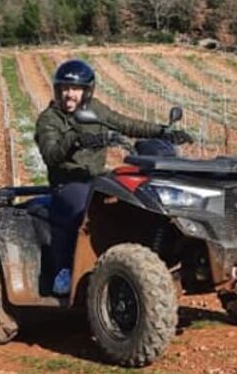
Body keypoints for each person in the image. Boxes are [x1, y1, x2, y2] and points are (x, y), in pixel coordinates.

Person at [34, 59, 192, 295]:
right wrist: (74, 140)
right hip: (68, 182)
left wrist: (162, 131)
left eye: (75, 89)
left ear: (87, 91)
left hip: (97, 178)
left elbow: (124, 123)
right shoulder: (49, 119)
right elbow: (51, 154)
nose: (69, 94)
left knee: (134, 200)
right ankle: (63, 271)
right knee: (81, 210)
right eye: (65, 88)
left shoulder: (94, 110)